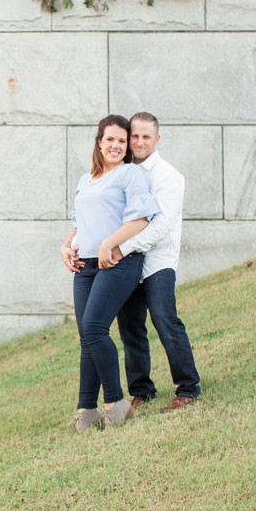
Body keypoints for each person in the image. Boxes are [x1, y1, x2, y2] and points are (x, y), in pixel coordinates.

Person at [61, 114, 159, 432]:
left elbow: (142, 219)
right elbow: (79, 223)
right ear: (99, 142)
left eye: (121, 140)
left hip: (118, 262)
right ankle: (86, 410)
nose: (115, 145)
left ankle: (116, 403)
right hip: (85, 266)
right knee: (87, 338)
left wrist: (110, 242)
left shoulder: (130, 174)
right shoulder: (86, 179)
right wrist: (66, 246)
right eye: (110, 139)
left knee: (95, 328)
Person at [113, 112, 201, 412]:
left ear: (157, 139)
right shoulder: (121, 171)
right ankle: (142, 391)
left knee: (165, 320)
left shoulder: (169, 176)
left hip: (157, 260)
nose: (138, 142)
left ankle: (188, 388)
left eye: (145, 137)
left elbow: (161, 225)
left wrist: (122, 248)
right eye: (134, 136)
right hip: (127, 260)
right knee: (129, 325)